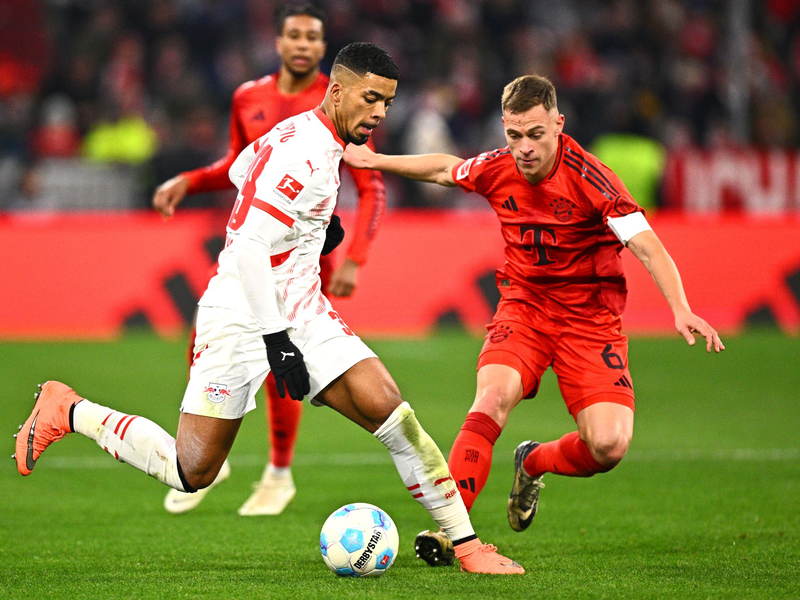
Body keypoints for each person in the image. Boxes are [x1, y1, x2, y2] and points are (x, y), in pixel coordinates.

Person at [15, 42, 524, 576]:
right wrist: (277, 341)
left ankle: (467, 547)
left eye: (388, 104)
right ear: (337, 90)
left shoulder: (309, 138)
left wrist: (312, 229)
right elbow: (252, 248)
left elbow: (240, 171)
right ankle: (69, 408)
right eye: (370, 99)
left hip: (302, 305)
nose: (378, 114)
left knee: (391, 410)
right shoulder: (301, 153)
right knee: (193, 470)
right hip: (240, 313)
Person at [343, 74, 725, 567]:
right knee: (493, 395)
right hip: (523, 307)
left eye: (535, 135)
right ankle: (451, 532)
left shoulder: (592, 179)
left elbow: (646, 244)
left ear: (558, 125)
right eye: (514, 135)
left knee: (608, 446)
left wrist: (680, 306)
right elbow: (446, 169)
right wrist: (375, 159)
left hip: (590, 320)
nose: (523, 148)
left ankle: (534, 460)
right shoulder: (499, 167)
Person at [151, 4, 386, 517]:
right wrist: (189, 180)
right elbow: (239, 164)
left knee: (283, 360)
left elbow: (371, 184)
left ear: (324, 49)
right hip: (254, 241)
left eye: (313, 37)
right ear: (278, 42)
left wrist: (354, 259)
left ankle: (278, 472)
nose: (303, 45)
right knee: (204, 341)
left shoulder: (348, 98)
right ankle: (212, 452)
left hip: (304, 258)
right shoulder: (248, 97)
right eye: (294, 35)